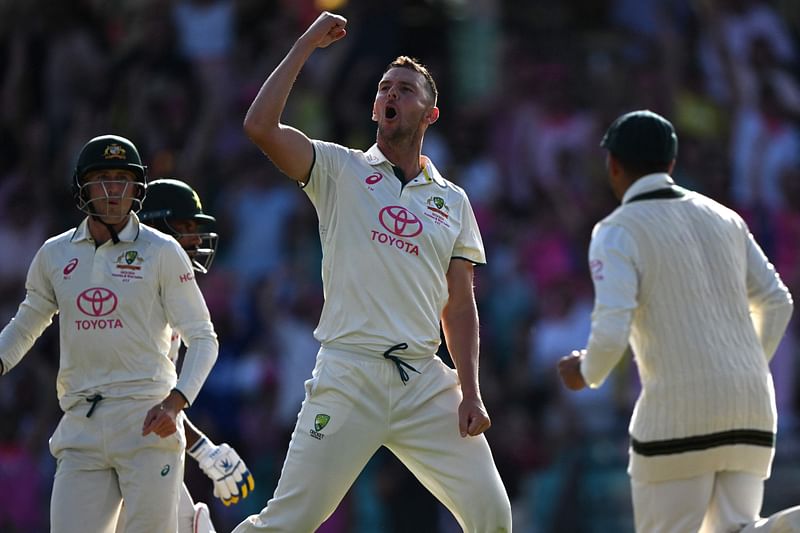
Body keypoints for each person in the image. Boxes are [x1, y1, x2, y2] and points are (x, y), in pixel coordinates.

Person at [234, 11, 512, 533]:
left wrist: (471, 392)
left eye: (406, 89)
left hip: (424, 380)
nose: (392, 94)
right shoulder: (339, 170)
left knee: (493, 516)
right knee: (286, 523)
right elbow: (259, 127)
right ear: (374, 107)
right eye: (385, 87)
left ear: (430, 114)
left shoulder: (452, 201)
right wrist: (304, 45)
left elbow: (459, 304)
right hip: (349, 372)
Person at [557, 110, 794, 533]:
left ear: (612, 165)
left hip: (675, 417)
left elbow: (612, 331)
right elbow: (777, 302)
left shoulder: (616, 230)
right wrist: (746, 367)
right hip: (751, 407)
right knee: (738, 529)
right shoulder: (726, 218)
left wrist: (585, 372)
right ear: (671, 164)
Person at [0, 134, 219, 533]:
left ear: (137, 187)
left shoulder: (162, 250)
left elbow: (203, 337)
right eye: (102, 179)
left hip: (147, 421)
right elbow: (25, 325)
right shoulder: (54, 254)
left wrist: (176, 402)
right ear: (82, 187)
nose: (113, 190)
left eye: (123, 179)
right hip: (81, 422)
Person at [114, 177, 252, 532]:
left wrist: (201, 447)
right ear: (156, 228)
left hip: (136, 449)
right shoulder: (134, 294)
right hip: (116, 452)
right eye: (185, 227)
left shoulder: (166, 291)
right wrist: (203, 449)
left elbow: (157, 399)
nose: (193, 240)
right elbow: (142, 401)